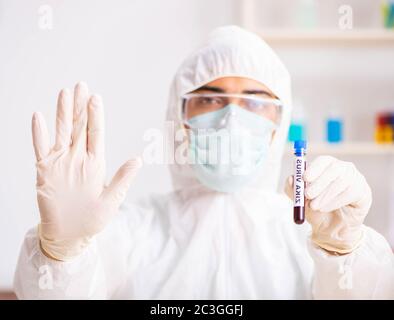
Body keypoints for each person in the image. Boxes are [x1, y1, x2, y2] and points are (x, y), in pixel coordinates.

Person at [14, 26, 394, 299]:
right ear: (178, 116)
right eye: (210, 99)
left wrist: (344, 252)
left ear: (281, 121)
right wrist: (60, 252)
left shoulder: (309, 233)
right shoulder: (131, 230)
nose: (231, 118)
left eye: (255, 100)